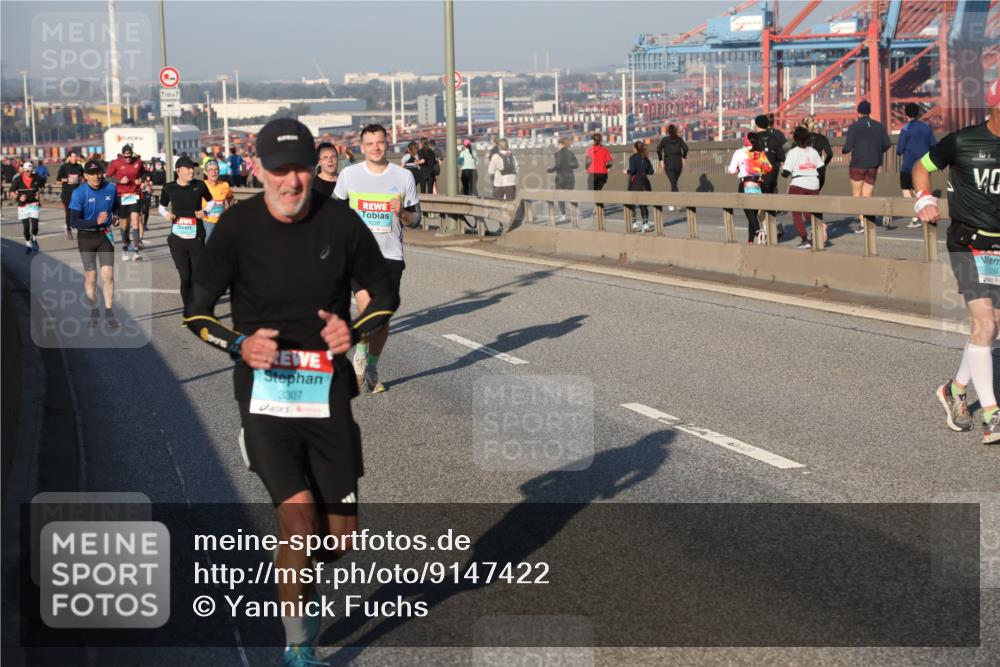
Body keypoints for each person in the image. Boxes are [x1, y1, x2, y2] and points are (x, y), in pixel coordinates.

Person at [183, 118, 399, 665]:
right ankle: (298, 644)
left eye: (301, 166)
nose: (292, 180)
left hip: (327, 393)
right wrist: (238, 345)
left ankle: (301, 585)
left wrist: (354, 328)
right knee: (298, 521)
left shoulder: (341, 223)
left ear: (314, 165)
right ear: (258, 170)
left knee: (339, 539)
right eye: (279, 169)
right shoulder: (236, 228)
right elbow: (197, 311)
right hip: (264, 392)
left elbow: (383, 294)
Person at [914, 77, 1000, 444]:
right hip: (968, 242)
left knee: (991, 326)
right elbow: (922, 166)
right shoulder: (963, 141)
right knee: (985, 321)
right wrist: (924, 198)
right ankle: (992, 415)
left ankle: (954, 389)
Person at [334, 123, 420, 393]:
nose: (375, 147)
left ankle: (371, 365)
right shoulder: (349, 175)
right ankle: (359, 354)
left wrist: (402, 214)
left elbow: (416, 219)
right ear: (362, 146)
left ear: (387, 143)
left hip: (391, 255)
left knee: (382, 320)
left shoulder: (404, 177)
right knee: (367, 306)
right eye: (370, 143)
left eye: (380, 142)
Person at [158, 156, 213, 320]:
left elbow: (211, 202)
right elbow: (161, 206)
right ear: (178, 171)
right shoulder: (169, 187)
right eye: (188, 168)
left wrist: (205, 212)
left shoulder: (200, 185)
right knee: (185, 277)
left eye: (192, 168)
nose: (191, 171)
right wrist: (166, 214)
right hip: (177, 239)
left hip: (196, 237)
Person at [68, 159, 120, 328]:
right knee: (91, 277)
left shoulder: (111, 188)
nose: (96, 177)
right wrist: (95, 222)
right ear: (85, 176)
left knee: (108, 275)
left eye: (98, 173)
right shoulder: (79, 193)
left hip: (105, 236)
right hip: (86, 237)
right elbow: (74, 221)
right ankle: (94, 310)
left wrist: (116, 217)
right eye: (92, 174)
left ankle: (109, 311)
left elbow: (117, 207)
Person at [843, 100, 892, 233]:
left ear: (858, 112)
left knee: (857, 195)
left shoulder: (854, 127)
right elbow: (887, 144)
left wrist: (845, 151)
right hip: (873, 164)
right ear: (869, 112)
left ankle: (863, 223)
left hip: (857, 164)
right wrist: (877, 151)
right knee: (867, 194)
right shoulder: (879, 126)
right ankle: (868, 220)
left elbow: (847, 147)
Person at [781, 126, 824, 249]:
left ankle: (805, 240)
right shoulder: (813, 151)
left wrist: (782, 170)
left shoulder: (793, 152)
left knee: (797, 213)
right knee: (810, 212)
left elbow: (785, 174)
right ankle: (821, 226)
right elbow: (821, 168)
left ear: (795, 139)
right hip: (814, 184)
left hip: (798, 184)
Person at [895, 102, 937, 228]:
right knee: (920, 190)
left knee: (906, 189)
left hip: (908, 166)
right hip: (924, 166)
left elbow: (899, 150)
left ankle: (915, 218)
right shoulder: (926, 128)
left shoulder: (906, 129)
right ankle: (927, 213)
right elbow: (934, 145)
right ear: (918, 113)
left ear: (906, 114)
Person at [727, 132, 773, 243]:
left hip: (745, 184)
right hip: (758, 184)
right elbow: (769, 168)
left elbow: (732, 170)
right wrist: (759, 169)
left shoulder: (739, 152)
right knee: (753, 213)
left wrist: (739, 169)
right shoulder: (760, 153)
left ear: (746, 140)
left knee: (749, 213)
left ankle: (758, 232)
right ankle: (750, 241)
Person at [105, 144, 147, 260]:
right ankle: (125, 246)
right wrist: (119, 181)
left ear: (132, 154)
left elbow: (144, 173)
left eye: (129, 156)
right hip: (121, 196)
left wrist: (141, 179)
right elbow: (107, 177)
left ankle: (136, 250)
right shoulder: (116, 163)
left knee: (136, 220)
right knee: (124, 224)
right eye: (125, 157)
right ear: (122, 155)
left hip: (134, 195)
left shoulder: (138, 162)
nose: (128, 159)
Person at [754, 114, 787, 237]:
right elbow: (781, 157)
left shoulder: (752, 140)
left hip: (757, 177)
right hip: (772, 176)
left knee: (757, 206)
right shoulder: (774, 139)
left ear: (756, 125)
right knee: (770, 203)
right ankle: (773, 225)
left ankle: (768, 229)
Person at [10, 162, 45, 254]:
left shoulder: (37, 178)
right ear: (24, 171)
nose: (29, 172)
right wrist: (18, 197)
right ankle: (28, 245)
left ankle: (34, 237)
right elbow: (11, 193)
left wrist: (39, 193)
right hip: (23, 206)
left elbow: (42, 187)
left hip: (34, 204)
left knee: (35, 226)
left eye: (31, 170)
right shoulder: (18, 180)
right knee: (26, 227)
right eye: (27, 171)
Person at [201, 160, 234, 241]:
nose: (214, 172)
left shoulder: (225, 185)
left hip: (221, 222)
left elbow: (230, 197)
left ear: (219, 172)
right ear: (206, 172)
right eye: (211, 170)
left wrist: (228, 211)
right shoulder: (201, 185)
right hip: (207, 222)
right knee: (209, 246)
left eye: (216, 169)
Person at [656, 125, 688, 210]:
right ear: (675, 131)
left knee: (673, 183)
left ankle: (676, 203)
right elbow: (686, 148)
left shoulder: (664, 140)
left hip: (668, 162)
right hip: (678, 163)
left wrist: (661, 161)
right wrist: (684, 158)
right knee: (674, 182)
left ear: (667, 131)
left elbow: (658, 149)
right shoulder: (679, 140)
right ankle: (672, 204)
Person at [626, 141, 654, 233]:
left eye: (633, 147)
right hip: (645, 182)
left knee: (631, 203)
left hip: (635, 182)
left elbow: (633, 170)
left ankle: (634, 224)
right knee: (643, 204)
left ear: (635, 148)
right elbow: (651, 172)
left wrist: (626, 171)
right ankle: (645, 225)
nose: (632, 149)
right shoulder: (646, 158)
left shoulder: (633, 157)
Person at [546, 137, 577, 222]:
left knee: (560, 196)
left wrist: (550, 170)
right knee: (571, 196)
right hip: (570, 177)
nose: (557, 146)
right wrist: (569, 165)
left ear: (560, 144)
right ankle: (574, 214)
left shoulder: (557, 154)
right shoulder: (571, 153)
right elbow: (576, 165)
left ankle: (564, 215)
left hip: (560, 178)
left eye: (558, 144)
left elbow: (558, 166)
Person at [57, 151, 85, 240]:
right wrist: (68, 179)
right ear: (69, 158)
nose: (74, 159)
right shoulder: (64, 167)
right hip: (66, 192)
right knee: (68, 211)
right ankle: (68, 229)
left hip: (77, 192)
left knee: (79, 210)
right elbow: (58, 180)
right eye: (73, 157)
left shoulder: (80, 167)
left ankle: (80, 228)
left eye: (76, 157)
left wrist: (81, 180)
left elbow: (84, 177)